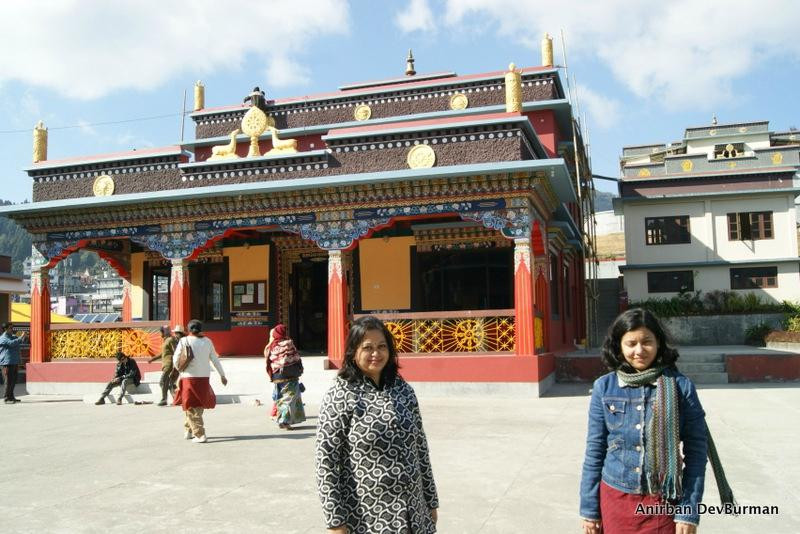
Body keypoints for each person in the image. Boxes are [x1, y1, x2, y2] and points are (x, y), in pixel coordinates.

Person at [579, 308, 734, 534]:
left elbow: (697, 452)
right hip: (615, 498)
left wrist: (688, 511)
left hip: (663, 502)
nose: (639, 350)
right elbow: (595, 451)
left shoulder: (680, 387)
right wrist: (589, 510)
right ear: (619, 347)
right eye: (631, 343)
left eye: (647, 342)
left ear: (659, 343)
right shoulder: (605, 387)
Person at [315, 315, 439, 533]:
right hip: (368, 516)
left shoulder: (403, 390)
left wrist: (431, 500)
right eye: (368, 347)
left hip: (414, 513)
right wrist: (335, 521)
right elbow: (326, 461)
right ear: (353, 352)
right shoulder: (340, 395)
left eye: (382, 346)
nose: (376, 353)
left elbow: (420, 448)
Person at [172, 319, 227, 444]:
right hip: (204, 378)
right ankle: (189, 430)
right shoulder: (208, 341)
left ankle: (200, 434)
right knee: (198, 405)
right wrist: (222, 375)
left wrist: (181, 369)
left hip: (188, 377)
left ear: (189, 329)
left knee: (191, 406)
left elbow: (175, 360)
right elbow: (215, 359)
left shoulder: (183, 340)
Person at [264, 323, 305, 430]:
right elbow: (296, 358)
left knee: (280, 398)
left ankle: (280, 418)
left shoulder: (271, 346)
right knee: (289, 399)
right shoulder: (289, 344)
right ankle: (284, 421)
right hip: (290, 376)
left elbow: (268, 360)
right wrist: (300, 369)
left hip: (277, 376)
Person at [148, 324, 185, 406]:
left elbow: (176, 352)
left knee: (163, 382)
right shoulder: (167, 340)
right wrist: (153, 359)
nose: (160, 334)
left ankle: (165, 399)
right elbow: (163, 353)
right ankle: (176, 399)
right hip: (168, 365)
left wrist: (175, 368)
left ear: (164, 332)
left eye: (160, 332)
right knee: (169, 384)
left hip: (170, 365)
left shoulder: (170, 340)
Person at [0, 323, 28, 404]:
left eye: (12, 328)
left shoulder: (12, 336)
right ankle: (6, 397)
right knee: (8, 380)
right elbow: (11, 343)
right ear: (6, 329)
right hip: (6, 363)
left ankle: (11, 397)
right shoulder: (3, 338)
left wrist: (24, 336)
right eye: (10, 328)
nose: (12, 329)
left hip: (14, 362)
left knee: (13, 380)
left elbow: (18, 341)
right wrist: (21, 337)